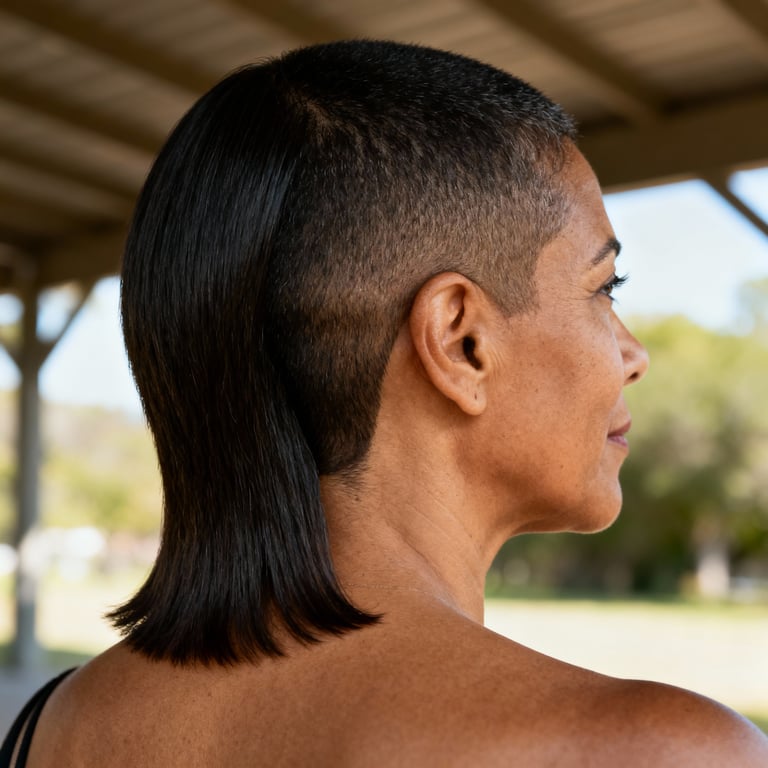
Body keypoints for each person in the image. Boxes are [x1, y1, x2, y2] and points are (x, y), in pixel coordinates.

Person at [3, 40, 767, 768]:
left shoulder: (53, 725)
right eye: (605, 289)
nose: (634, 355)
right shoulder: (659, 752)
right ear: (461, 341)